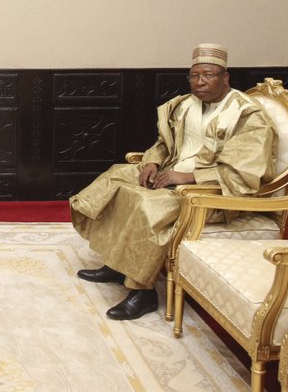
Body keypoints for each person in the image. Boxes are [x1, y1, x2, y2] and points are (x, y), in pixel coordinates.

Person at [71, 44, 277, 320]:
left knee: (148, 206)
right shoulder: (184, 106)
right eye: (194, 76)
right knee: (116, 179)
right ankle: (118, 265)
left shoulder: (247, 115)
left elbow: (243, 172)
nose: (200, 82)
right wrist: (152, 163)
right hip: (171, 171)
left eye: (208, 75)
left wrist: (188, 177)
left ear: (225, 77)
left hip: (213, 191)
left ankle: (143, 292)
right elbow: (163, 144)